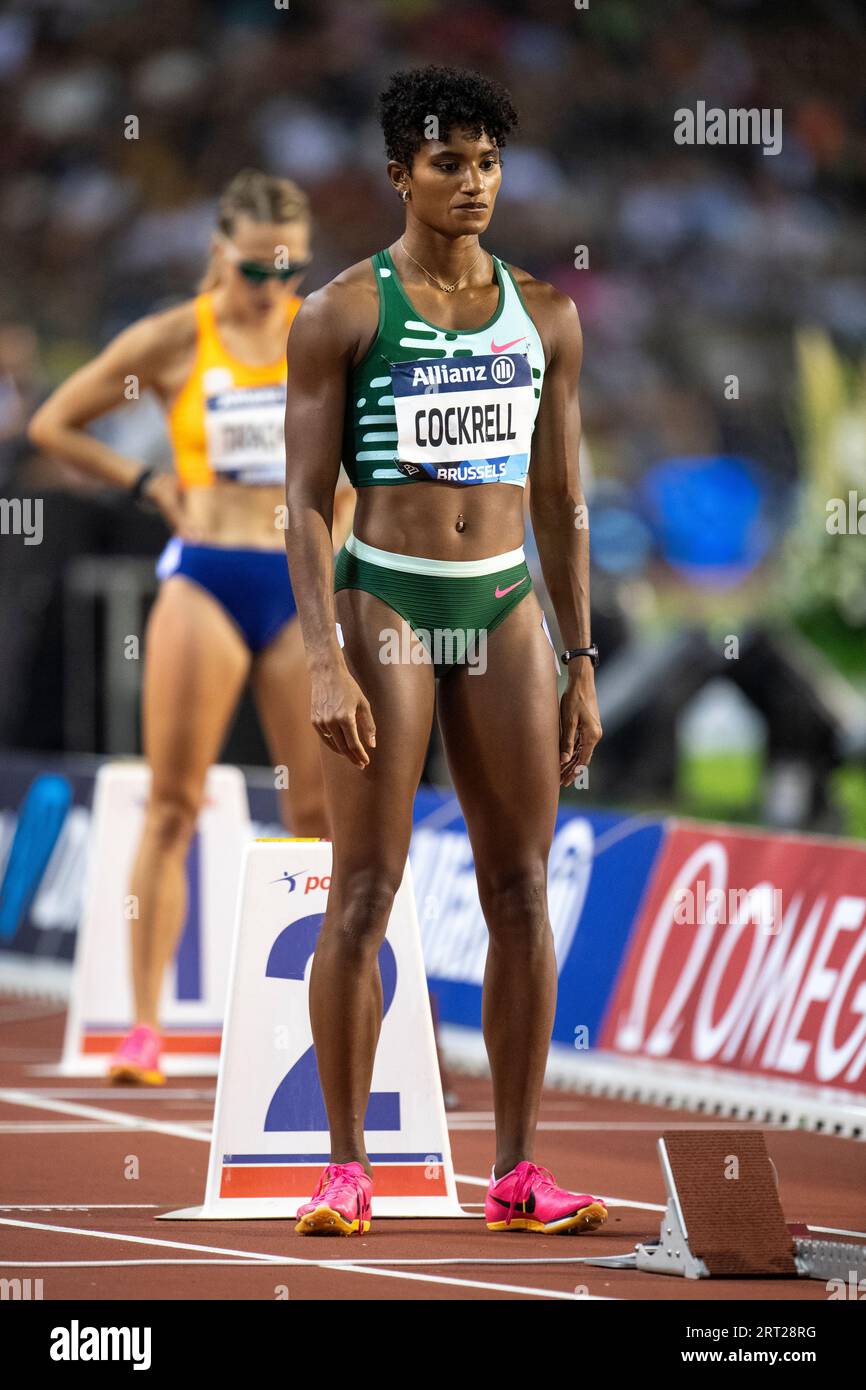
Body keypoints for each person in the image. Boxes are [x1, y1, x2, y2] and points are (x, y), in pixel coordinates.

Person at [283, 67, 607, 1237]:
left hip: (505, 604)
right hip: (389, 606)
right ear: (396, 175)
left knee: (519, 886)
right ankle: (344, 1168)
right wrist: (322, 657)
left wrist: (580, 658)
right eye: (447, 164)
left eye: (486, 163)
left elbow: (563, 501)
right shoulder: (342, 312)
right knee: (364, 886)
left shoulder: (545, 313)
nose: (471, 183)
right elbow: (302, 505)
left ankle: (516, 1172)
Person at [29, 169, 354, 1086]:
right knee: (173, 803)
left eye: (290, 268)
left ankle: (319, 1029)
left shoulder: (319, 331)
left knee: (316, 813)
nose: (273, 287)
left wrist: (352, 549)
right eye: (256, 269)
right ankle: (142, 1030)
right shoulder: (177, 336)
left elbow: (363, 458)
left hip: (300, 589)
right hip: (206, 579)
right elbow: (57, 422)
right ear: (218, 252)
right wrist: (148, 486)